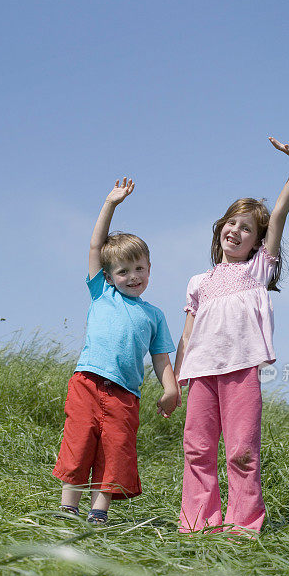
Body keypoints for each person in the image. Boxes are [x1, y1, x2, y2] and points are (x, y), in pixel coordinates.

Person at [174, 138, 289, 534]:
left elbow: (280, 211)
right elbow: (187, 336)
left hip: (240, 371)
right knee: (196, 449)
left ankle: (243, 525)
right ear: (220, 230)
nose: (236, 230)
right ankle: (197, 524)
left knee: (242, 451)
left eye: (246, 228)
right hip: (200, 374)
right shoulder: (199, 281)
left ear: (258, 241)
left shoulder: (258, 270)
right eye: (231, 223)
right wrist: (173, 383)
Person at [53, 178, 178, 525]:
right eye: (123, 271)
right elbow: (96, 246)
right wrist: (111, 204)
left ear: (150, 268)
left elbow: (160, 358)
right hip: (88, 383)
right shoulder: (102, 294)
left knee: (114, 449)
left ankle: (98, 513)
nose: (133, 276)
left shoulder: (154, 315)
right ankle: (67, 508)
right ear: (108, 276)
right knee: (80, 442)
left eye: (139, 268)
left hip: (125, 394)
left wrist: (171, 388)